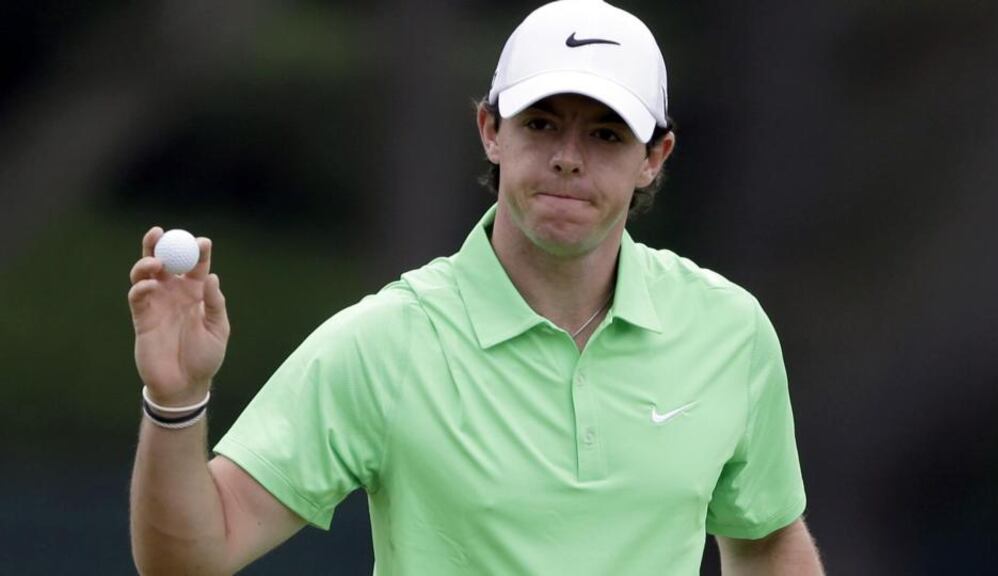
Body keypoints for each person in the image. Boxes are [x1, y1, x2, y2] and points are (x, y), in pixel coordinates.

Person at [128, 0, 825, 574]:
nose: (567, 158)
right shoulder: (385, 342)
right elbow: (192, 558)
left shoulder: (728, 330)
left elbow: (764, 538)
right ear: (491, 130)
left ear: (654, 157)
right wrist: (176, 403)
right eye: (542, 123)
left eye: (607, 135)